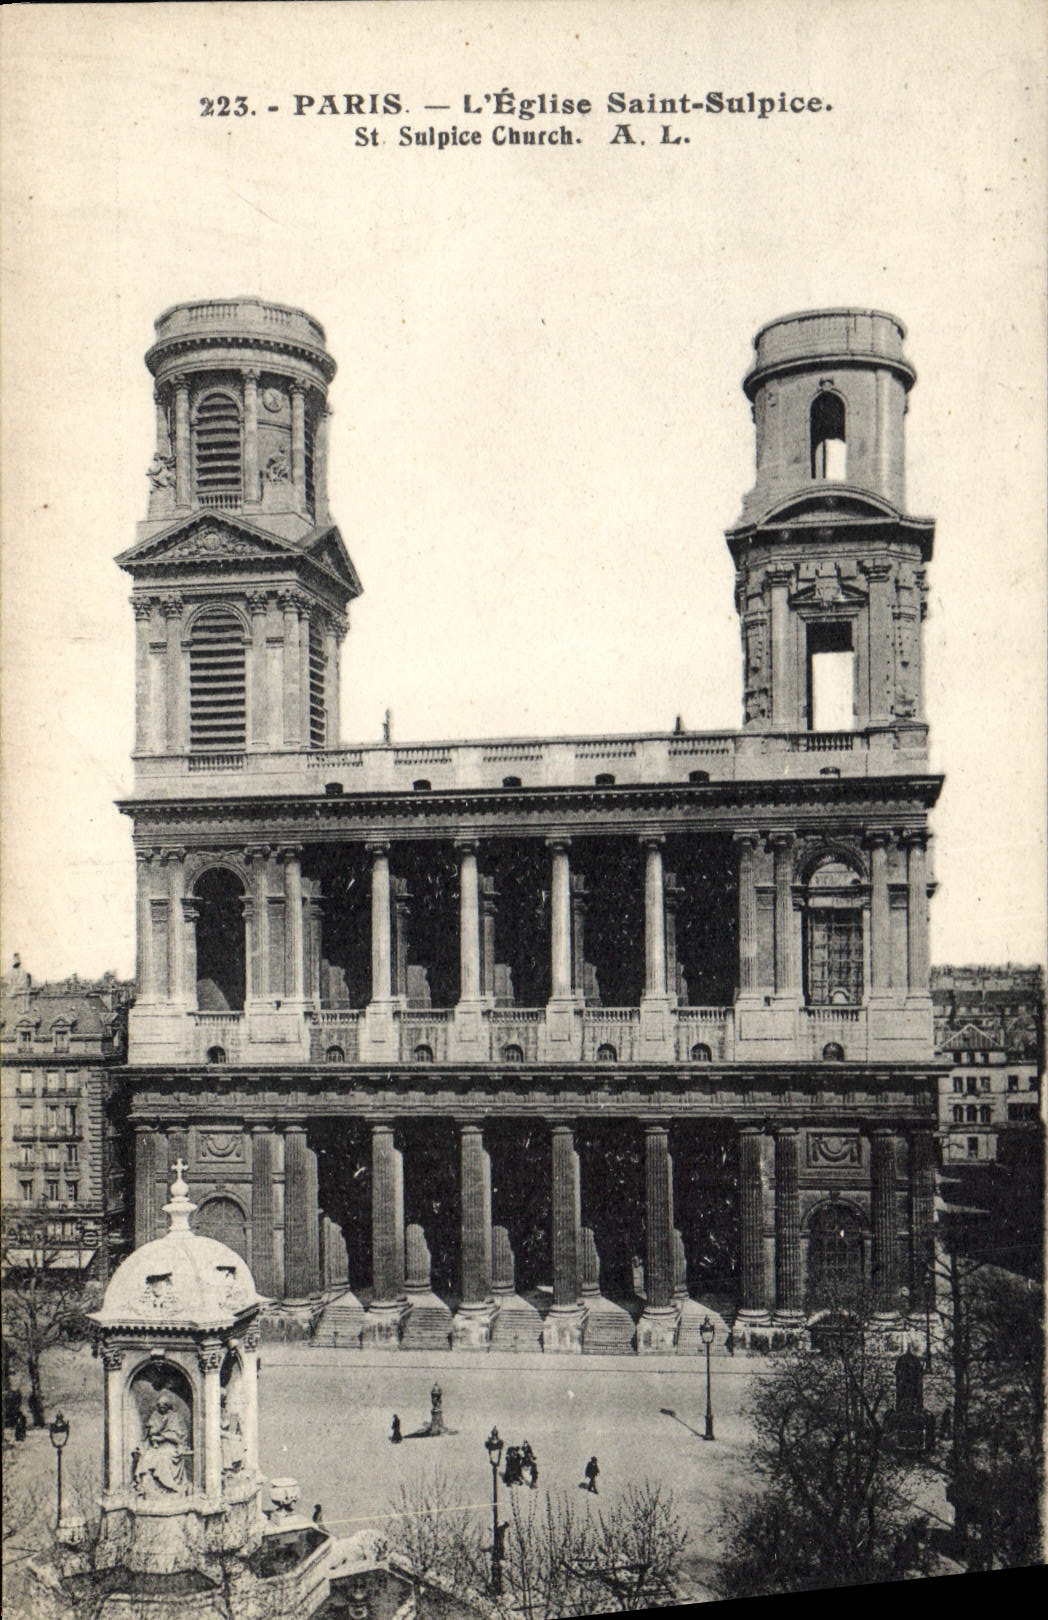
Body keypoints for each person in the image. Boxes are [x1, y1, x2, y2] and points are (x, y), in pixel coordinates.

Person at [133, 1391, 191, 1496]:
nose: (161, 1407)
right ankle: (148, 1487)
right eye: (159, 1405)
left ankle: (171, 1486)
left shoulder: (174, 1417)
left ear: (168, 1406)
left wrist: (163, 1437)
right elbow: (148, 1432)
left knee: (163, 1458)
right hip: (155, 1446)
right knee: (146, 1457)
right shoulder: (155, 1415)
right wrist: (151, 1437)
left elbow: (179, 1435)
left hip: (171, 1446)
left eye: (164, 1405)